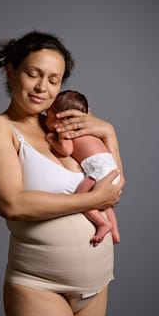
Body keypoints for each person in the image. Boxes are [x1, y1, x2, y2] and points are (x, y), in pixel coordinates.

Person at [0, 30, 124, 316]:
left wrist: (109, 133)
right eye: (33, 74)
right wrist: (92, 200)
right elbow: (11, 203)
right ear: (11, 72)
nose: (42, 87)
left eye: (54, 80)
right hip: (39, 284)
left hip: (96, 282)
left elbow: (114, 187)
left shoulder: (66, 123)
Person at [45, 90, 121, 247]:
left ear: (62, 118)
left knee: (83, 196)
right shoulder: (89, 128)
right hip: (112, 168)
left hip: (98, 171)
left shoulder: (65, 129)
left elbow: (66, 150)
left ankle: (102, 224)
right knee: (106, 204)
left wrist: (52, 141)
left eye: (49, 114)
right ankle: (115, 231)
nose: (46, 116)